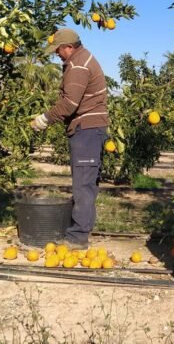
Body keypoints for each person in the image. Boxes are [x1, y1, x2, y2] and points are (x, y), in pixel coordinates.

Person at [30, 28, 108, 248]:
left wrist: (45, 119)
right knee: (86, 183)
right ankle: (78, 231)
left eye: (58, 50)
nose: (57, 54)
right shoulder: (82, 59)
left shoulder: (78, 65)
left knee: (83, 184)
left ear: (69, 47)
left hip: (87, 130)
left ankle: (78, 238)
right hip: (89, 129)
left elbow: (69, 104)